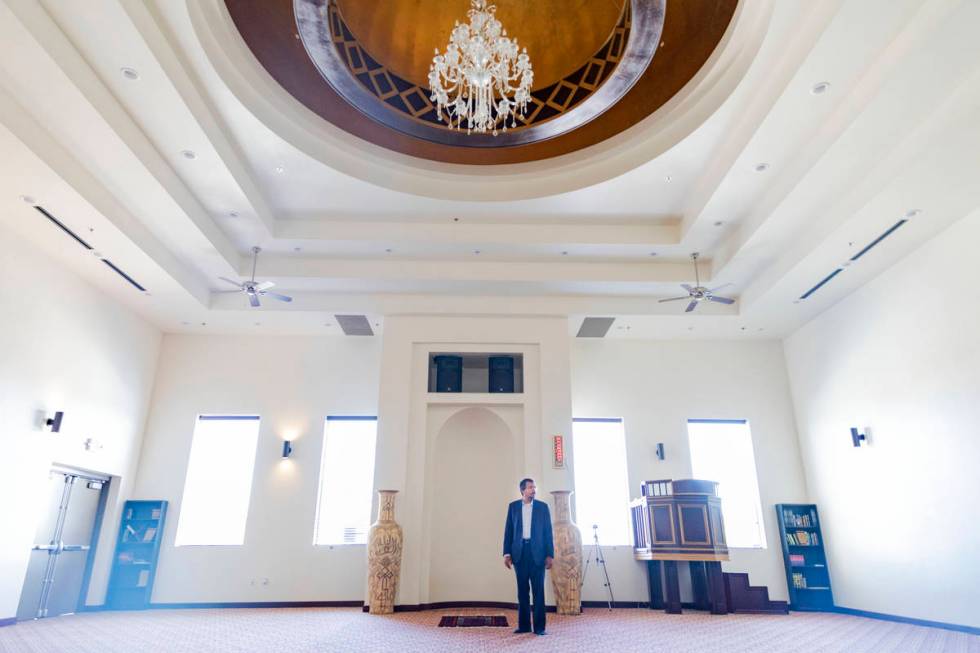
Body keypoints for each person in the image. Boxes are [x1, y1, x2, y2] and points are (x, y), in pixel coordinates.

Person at [502, 478, 554, 635]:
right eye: (530, 487)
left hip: (538, 554)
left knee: (538, 592)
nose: (534, 490)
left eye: (535, 487)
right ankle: (524, 626)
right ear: (522, 490)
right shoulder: (513, 507)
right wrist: (506, 553)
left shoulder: (543, 508)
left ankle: (539, 628)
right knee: (522, 592)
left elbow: (548, 532)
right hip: (519, 554)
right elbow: (508, 531)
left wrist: (550, 554)